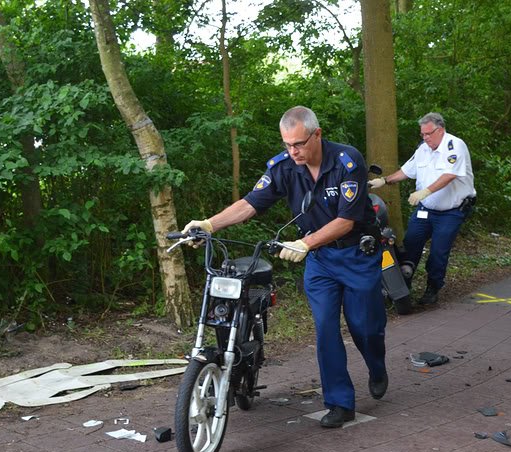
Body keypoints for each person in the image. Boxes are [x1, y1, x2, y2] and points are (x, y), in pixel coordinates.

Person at [182, 106, 388, 428]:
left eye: (300, 144)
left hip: (356, 257)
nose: (293, 151)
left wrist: (305, 243)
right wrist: (209, 224)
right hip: (320, 263)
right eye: (287, 145)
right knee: (325, 329)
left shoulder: (348, 161)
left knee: (365, 327)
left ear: (317, 134)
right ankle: (339, 402)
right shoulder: (284, 167)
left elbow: (346, 221)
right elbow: (251, 203)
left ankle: (376, 365)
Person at [369, 112, 476, 305]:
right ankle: (402, 290)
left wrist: (424, 192)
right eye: (423, 134)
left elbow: (449, 175)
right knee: (410, 244)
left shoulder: (454, 146)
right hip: (426, 209)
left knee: (438, 251)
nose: (425, 138)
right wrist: (384, 181)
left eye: (429, 134)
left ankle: (432, 288)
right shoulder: (423, 150)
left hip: (451, 211)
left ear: (440, 130)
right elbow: (407, 171)